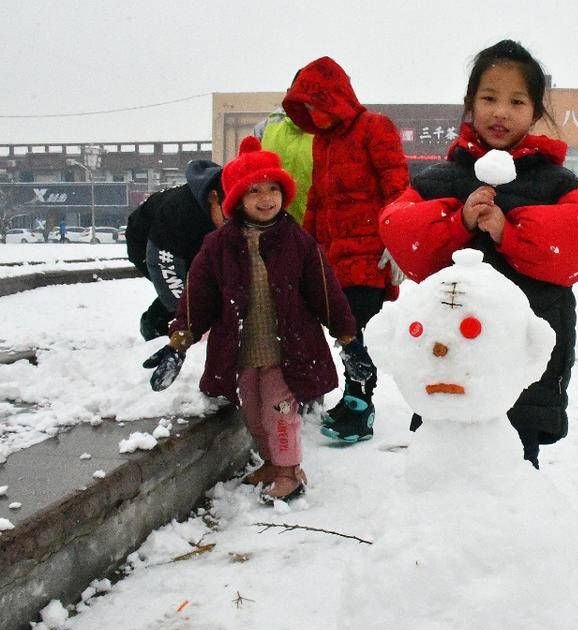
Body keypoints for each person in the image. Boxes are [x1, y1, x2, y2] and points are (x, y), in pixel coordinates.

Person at [378, 39, 578, 468]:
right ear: (470, 104)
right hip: (447, 354)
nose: (500, 111)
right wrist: (457, 222)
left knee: (516, 467)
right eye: (488, 98)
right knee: (442, 461)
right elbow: (400, 230)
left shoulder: (557, 182)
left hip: (517, 355)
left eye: (516, 101)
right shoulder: (441, 178)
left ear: (535, 111)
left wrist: (510, 231)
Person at [144, 136, 374, 501]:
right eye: (254, 191)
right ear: (237, 199)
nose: (266, 198)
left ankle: (290, 471)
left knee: (279, 411)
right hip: (241, 349)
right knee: (252, 412)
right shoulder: (217, 245)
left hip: (289, 350)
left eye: (272, 189)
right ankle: (270, 462)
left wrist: (348, 339)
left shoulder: (297, 241)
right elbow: (197, 297)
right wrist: (178, 342)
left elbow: (326, 292)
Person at [281, 56, 409, 443]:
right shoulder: (322, 142)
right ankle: (353, 396)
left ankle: (360, 403)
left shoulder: (375, 128)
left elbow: (397, 185)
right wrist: (303, 248)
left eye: (316, 105)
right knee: (343, 328)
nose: (312, 115)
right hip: (333, 256)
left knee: (358, 328)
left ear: (333, 98)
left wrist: (398, 240)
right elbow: (317, 200)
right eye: (306, 109)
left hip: (371, 253)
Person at [125, 160, 225, 341]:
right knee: (183, 291)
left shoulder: (226, 203)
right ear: (213, 198)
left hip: (191, 239)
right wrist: (190, 317)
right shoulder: (178, 212)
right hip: (146, 242)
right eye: (228, 218)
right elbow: (165, 269)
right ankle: (153, 328)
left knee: (207, 283)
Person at [253, 105, 314, 224]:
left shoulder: (331, 129)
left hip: (318, 231)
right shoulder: (265, 128)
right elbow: (246, 179)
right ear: (288, 92)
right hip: (271, 230)